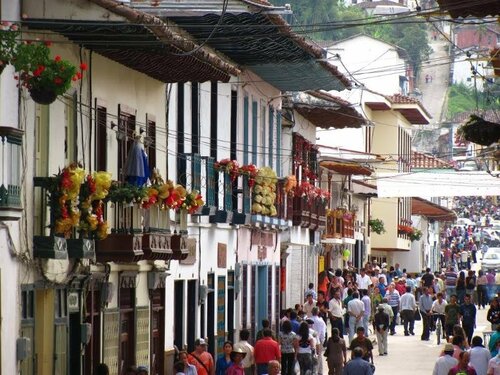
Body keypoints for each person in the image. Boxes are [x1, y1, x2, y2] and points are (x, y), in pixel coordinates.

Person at [311, 307, 327, 375]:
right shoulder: (321, 321)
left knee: (313, 356)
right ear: (318, 312)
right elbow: (323, 333)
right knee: (318, 356)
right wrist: (322, 341)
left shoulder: (307, 319)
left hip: (309, 341)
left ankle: (319, 371)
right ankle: (318, 371)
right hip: (319, 341)